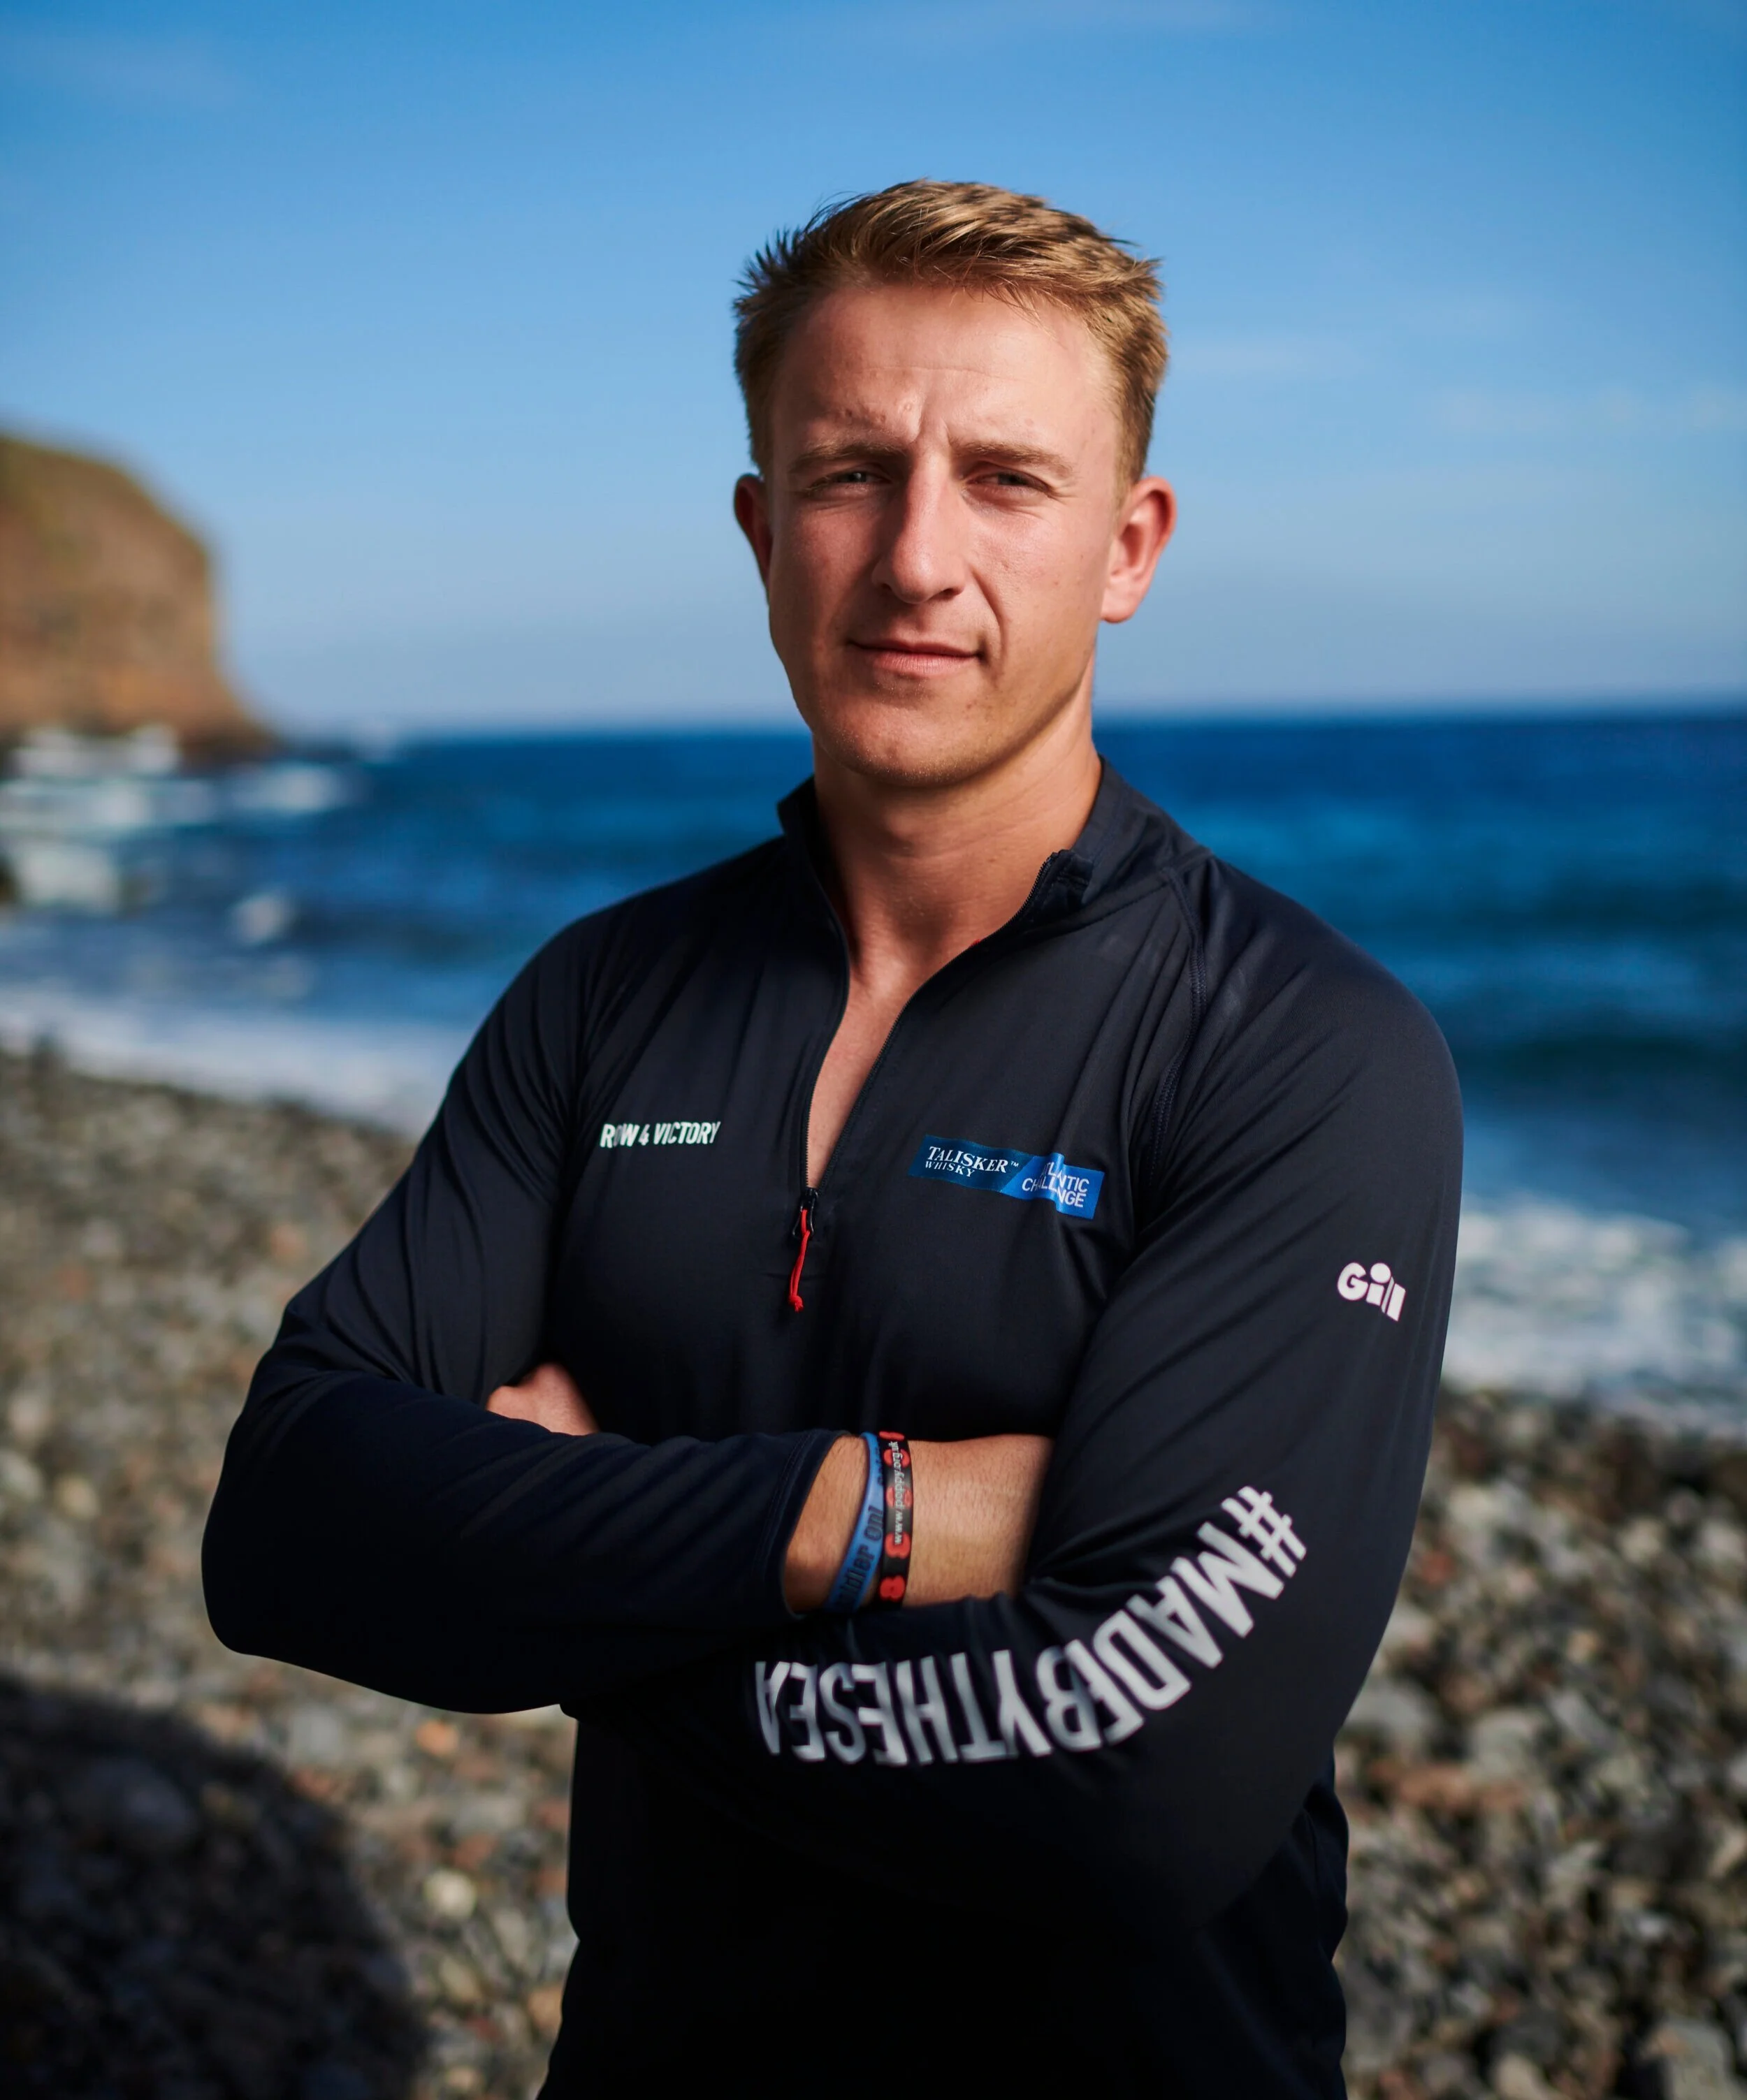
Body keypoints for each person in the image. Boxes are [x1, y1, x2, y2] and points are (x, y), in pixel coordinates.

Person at [204, 180, 1462, 2096]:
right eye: (851, 470)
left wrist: (568, 1582)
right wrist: (874, 1512)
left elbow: (1143, 1784)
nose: (915, 557)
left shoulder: (1301, 1050)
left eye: (1007, 481)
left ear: (1128, 546)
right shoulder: (599, 997)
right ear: (760, 526)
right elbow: (290, 1514)